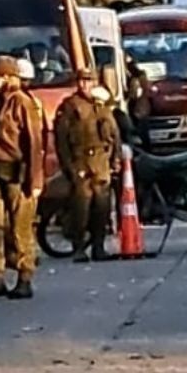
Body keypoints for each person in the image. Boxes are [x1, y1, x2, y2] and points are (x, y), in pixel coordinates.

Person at [0, 55, 44, 300]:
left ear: (7, 77)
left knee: (19, 229)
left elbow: (34, 143)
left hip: (17, 172)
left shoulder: (22, 103)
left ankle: (24, 276)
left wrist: (35, 180)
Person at [54, 69, 120, 262]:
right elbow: (62, 140)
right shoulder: (70, 106)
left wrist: (115, 159)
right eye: (81, 81)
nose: (84, 85)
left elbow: (114, 134)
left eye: (88, 81)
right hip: (80, 161)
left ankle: (98, 247)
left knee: (102, 208)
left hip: (101, 161)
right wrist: (69, 167)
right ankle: (79, 248)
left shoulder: (102, 105)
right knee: (80, 209)